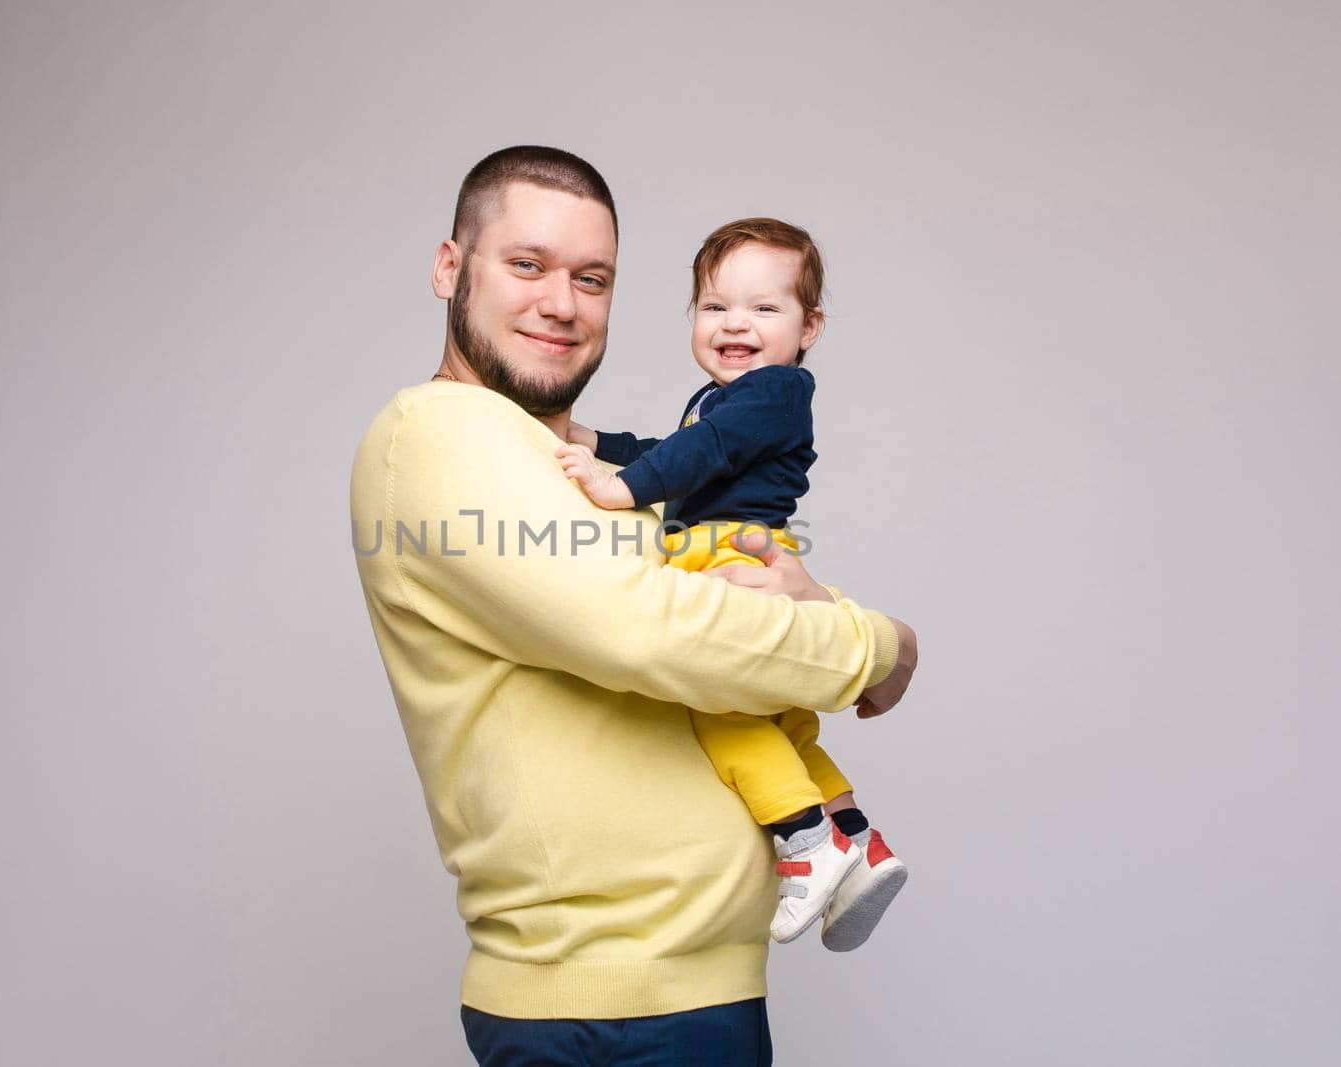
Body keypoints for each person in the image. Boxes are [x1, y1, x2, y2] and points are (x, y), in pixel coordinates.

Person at [349, 145, 918, 1066]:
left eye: (593, 278)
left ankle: (843, 832)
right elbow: (654, 626)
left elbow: (725, 570)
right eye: (526, 264)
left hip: (694, 991)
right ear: (451, 269)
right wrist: (881, 645)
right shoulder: (439, 432)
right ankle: (830, 830)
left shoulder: (562, 466)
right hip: (598, 1012)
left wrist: (823, 608)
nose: (562, 302)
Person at [555, 218, 909, 952]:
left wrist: (619, 487)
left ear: (808, 327)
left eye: (763, 308)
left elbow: (700, 453)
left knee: (718, 706)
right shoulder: (727, 401)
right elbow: (681, 450)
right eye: (715, 307)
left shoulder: (777, 390)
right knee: (782, 718)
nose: (735, 324)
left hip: (724, 552)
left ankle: (805, 839)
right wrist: (604, 445)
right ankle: (856, 837)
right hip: (743, 549)